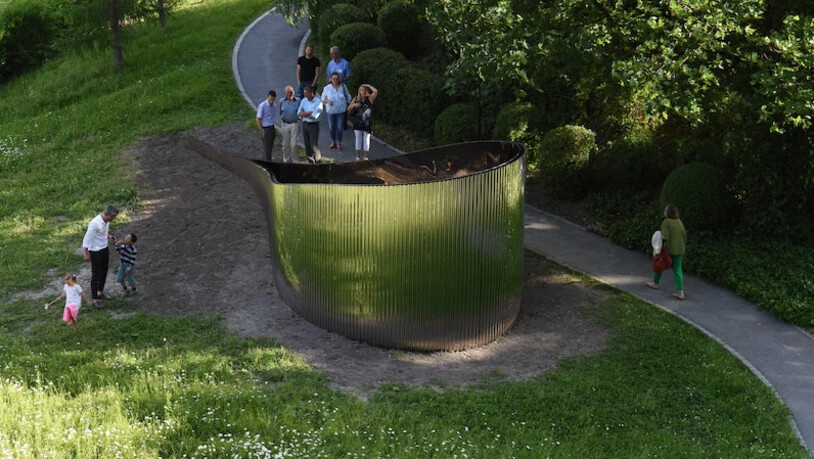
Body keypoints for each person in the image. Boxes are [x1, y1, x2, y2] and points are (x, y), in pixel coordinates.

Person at [647, 204, 687, 300]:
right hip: (680, 249)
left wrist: (660, 247)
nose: (664, 211)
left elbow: (665, 237)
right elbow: (684, 235)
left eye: (665, 210)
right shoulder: (679, 222)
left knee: (659, 264)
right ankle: (680, 292)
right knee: (677, 270)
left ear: (668, 213)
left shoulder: (666, 223)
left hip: (669, 249)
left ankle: (655, 283)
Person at [82, 205, 118, 306]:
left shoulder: (106, 222)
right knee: (96, 274)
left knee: (104, 271)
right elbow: (87, 238)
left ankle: (100, 292)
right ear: (108, 215)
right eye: (113, 217)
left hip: (104, 248)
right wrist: (86, 253)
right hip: (95, 251)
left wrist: (109, 236)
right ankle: (94, 299)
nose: (113, 219)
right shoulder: (94, 223)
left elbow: (103, 232)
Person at [347, 84, 378, 161]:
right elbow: (348, 108)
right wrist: (354, 105)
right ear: (359, 91)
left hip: (366, 123)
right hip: (357, 122)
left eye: (365, 90)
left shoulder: (370, 98)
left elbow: (376, 91)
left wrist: (369, 85)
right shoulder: (356, 99)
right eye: (361, 90)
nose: (363, 92)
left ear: (367, 91)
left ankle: (366, 157)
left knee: (366, 140)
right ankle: (357, 157)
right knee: (358, 139)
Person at [322, 72, 351, 151]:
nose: (335, 80)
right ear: (331, 79)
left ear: (339, 79)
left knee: (339, 128)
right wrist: (328, 101)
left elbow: (348, 96)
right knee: (332, 128)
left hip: (341, 111)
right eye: (333, 79)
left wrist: (349, 105)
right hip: (331, 112)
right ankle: (333, 141)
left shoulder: (343, 87)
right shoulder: (327, 88)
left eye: (337, 79)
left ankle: (338, 142)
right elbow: (322, 99)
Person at [298, 85, 323, 164]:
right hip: (305, 124)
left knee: (313, 145)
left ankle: (318, 161)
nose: (305, 95)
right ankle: (310, 161)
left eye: (307, 93)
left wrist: (304, 113)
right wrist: (309, 112)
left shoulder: (318, 102)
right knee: (307, 145)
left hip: (313, 125)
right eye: (304, 93)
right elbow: (299, 113)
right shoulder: (304, 100)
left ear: (312, 93)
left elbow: (314, 116)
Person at [279, 85, 300, 163]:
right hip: (285, 124)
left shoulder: (298, 101)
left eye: (291, 92)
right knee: (285, 145)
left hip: (294, 124)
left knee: (294, 144)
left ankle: (295, 161)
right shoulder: (281, 101)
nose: (289, 94)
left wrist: (299, 119)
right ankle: (286, 160)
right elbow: (280, 112)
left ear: (294, 92)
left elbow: (301, 111)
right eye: (288, 93)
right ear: (285, 93)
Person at [256, 90, 277, 162]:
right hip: (266, 129)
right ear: (267, 97)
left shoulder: (274, 106)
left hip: (272, 128)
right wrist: (261, 130)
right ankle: (267, 163)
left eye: (273, 100)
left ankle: (268, 161)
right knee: (266, 149)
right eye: (270, 99)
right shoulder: (262, 106)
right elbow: (258, 118)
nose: (271, 101)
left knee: (269, 148)